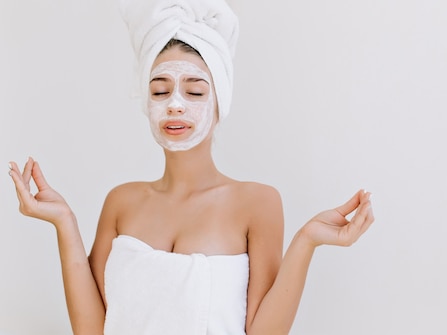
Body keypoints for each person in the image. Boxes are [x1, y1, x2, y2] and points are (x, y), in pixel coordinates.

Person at [8, 1, 374, 334]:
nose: (176, 105)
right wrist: (65, 224)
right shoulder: (121, 201)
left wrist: (306, 240)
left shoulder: (257, 203)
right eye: (160, 90)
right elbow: (91, 329)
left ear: (219, 102)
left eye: (195, 92)